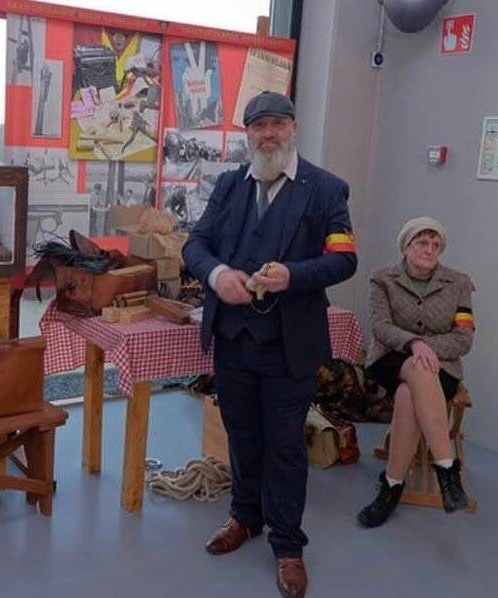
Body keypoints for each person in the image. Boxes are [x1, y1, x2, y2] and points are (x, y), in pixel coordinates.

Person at [182, 91, 357, 598]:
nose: (268, 134)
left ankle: (287, 546)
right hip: (233, 339)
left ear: (293, 128)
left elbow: (344, 260)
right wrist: (217, 275)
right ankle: (245, 516)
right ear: (248, 134)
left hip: (288, 345)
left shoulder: (326, 189)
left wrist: (292, 276)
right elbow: (195, 245)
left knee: (284, 445)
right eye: (258, 126)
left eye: (277, 124)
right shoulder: (229, 186)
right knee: (241, 434)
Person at [357, 217, 474, 527]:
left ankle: (391, 486)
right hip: (391, 358)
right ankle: (447, 470)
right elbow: (380, 327)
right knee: (417, 368)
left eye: (436, 244)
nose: (430, 249)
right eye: (422, 242)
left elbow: (464, 338)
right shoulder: (382, 279)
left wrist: (426, 348)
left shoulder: (459, 283)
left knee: (409, 393)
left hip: (441, 367)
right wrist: (414, 343)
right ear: (406, 246)